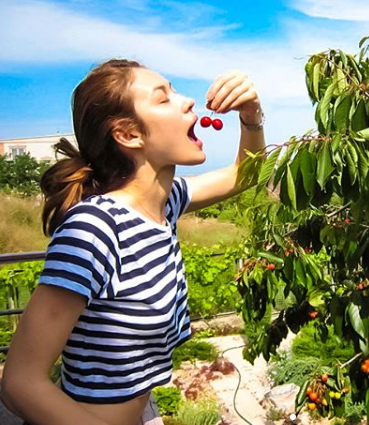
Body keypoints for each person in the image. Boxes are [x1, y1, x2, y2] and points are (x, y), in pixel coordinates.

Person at [0, 59, 265, 425]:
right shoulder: (93, 229)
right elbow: (19, 383)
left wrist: (251, 115)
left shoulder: (165, 203)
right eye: (164, 98)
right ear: (128, 134)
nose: (187, 101)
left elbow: (243, 175)